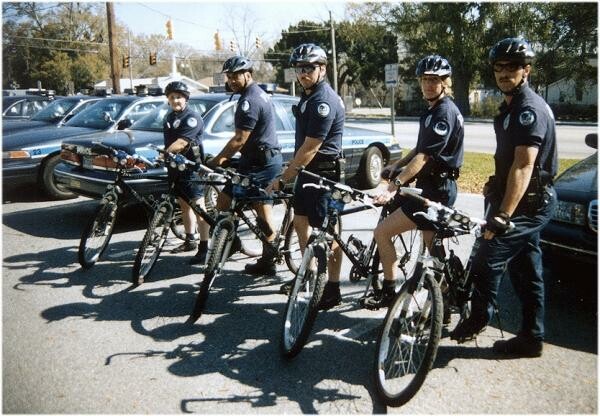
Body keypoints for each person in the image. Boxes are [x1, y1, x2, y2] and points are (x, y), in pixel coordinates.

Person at [450, 37, 558, 358]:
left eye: (511, 67)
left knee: (489, 255)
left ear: (526, 71)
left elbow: (525, 165)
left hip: (530, 203)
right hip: (522, 197)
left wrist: (503, 214)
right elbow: (511, 160)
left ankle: (478, 318)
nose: (503, 73)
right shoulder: (512, 106)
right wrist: (496, 183)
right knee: (527, 269)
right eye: (498, 67)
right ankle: (531, 338)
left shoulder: (528, 109)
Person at [363, 55, 464, 309]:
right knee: (432, 249)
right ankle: (447, 298)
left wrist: (393, 185)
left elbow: (424, 157)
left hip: (437, 190)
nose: (429, 85)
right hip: (434, 186)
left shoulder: (443, 113)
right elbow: (419, 148)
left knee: (382, 232)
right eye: (425, 80)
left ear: (445, 82)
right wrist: (397, 165)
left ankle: (389, 290)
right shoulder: (433, 110)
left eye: (435, 80)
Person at [267, 43, 346, 310]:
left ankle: (333, 289)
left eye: (309, 67)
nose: (303, 73)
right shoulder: (309, 96)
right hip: (308, 172)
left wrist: (285, 177)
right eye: (299, 68)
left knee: (329, 235)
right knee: (301, 223)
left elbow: (312, 147)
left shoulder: (323, 100)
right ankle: (307, 276)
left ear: (322, 68)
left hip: (325, 174)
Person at [207, 55, 283, 275]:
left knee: (262, 211)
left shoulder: (250, 100)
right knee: (224, 201)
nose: (231, 80)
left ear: (248, 74)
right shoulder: (252, 94)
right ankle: (231, 242)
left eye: (235, 76)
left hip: (262, 162)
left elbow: (240, 139)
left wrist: (217, 160)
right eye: (229, 76)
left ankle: (268, 260)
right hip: (252, 159)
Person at [163, 81, 210, 265]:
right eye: (172, 97)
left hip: (191, 169)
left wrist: (165, 154)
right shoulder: (169, 117)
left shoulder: (192, 118)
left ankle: (204, 247)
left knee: (199, 208)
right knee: (183, 205)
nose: (176, 100)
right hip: (175, 169)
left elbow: (182, 143)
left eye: (179, 97)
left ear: (186, 99)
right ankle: (190, 240)